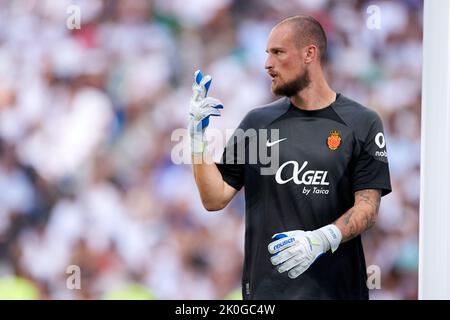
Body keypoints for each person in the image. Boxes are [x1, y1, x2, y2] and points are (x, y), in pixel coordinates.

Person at [188, 15, 391, 300]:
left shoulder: (362, 123)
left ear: (310, 54)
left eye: (278, 52)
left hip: (338, 292)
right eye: (266, 53)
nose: (267, 64)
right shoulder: (257, 123)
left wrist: (321, 240)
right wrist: (197, 140)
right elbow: (214, 198)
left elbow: (368, 208)